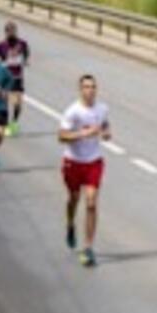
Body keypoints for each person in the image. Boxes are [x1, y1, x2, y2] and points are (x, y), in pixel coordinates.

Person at [58, 74, 111, 268]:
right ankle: (70, 224)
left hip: (93, 162)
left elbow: (104, 124)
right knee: (73, 199)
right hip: (73, 162)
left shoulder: (102, 108)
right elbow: (61, 137)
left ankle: (88, 247)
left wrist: (106, 133)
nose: (90, 90)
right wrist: (83, 133)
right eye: (86, 87)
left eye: (93, 87)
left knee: (91, 202)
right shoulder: (73, 112)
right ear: (80, 89)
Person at [0, 21, 30, 137]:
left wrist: (24, 61)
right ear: (5, 32)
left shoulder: (22, 44)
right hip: (4, 78)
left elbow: (26, 55)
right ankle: (2, 123)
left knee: (17, 103)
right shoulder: (0, 46)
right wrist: (1, 63)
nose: (11, 33)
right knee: (4, 102)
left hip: (17, 78)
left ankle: (13, 124)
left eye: (13, 30)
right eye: (9, 31)